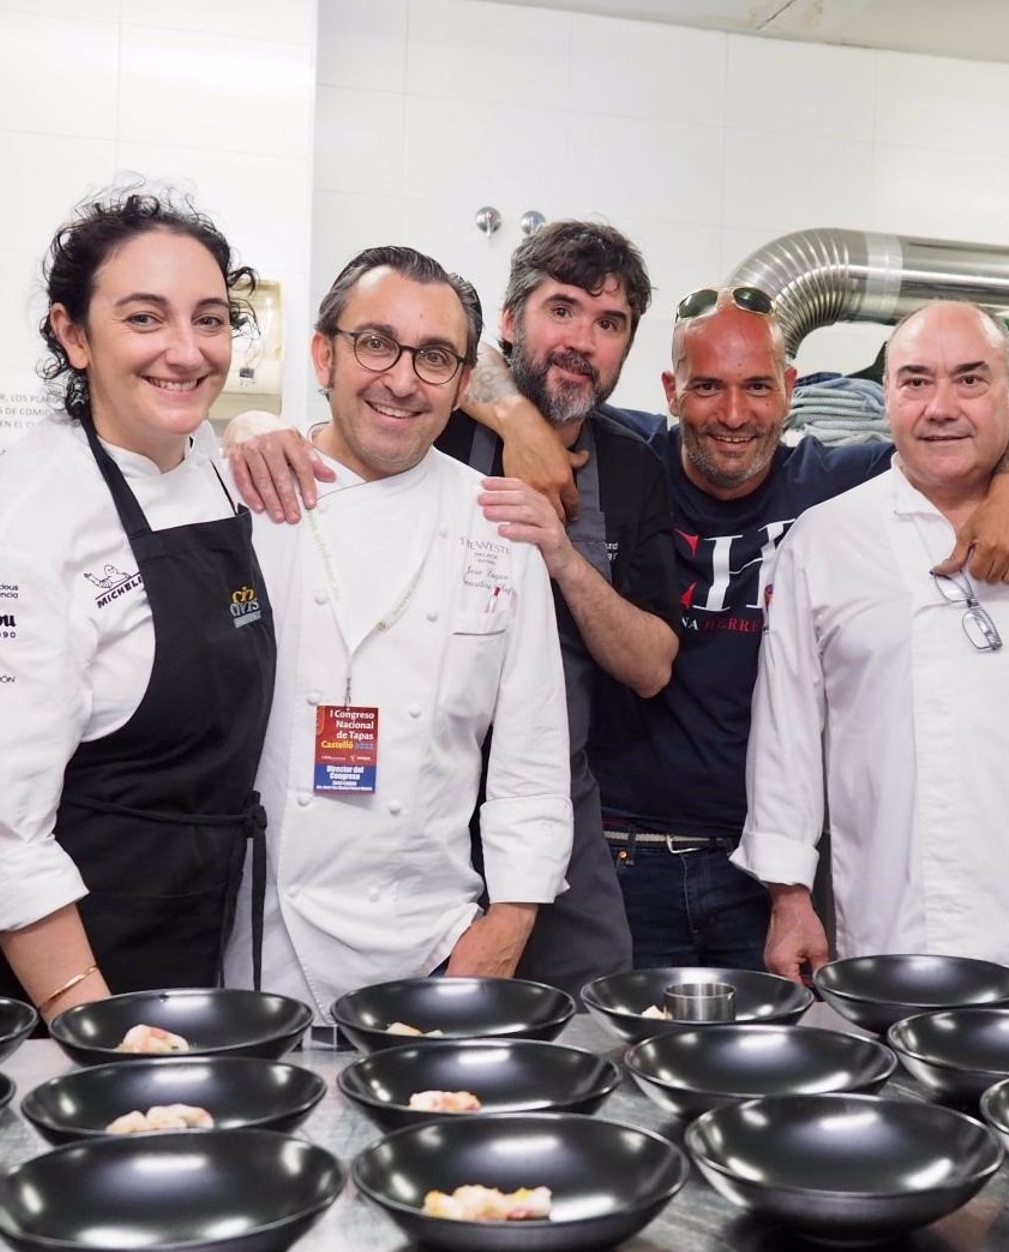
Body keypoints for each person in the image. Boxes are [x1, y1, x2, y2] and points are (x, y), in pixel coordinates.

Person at [228, 220, 678, 997]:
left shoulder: (538, 503)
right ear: (322, 353)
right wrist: (244, 423)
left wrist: (508, 921)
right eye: (562, 310)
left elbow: (548, 749)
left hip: (456, 888)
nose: (403, 381)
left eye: (610, 324)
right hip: (269, 906)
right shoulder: (266, 491)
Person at [0, 189, 276, 1023]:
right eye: (144, 318)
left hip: (167, 926)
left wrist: (255, 429)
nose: (186, 350)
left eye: (210, 320)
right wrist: (92, 1028)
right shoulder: (19, 529)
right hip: (36, 982)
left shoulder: (199, 459)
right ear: (73, 335)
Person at [733, 301, 1009, 980]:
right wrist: (789, 898)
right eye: (916, 381)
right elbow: (786, 739)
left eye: (970, 380)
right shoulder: (827, 539)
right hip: (898, 923)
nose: (941, 406)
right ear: (886, 397)